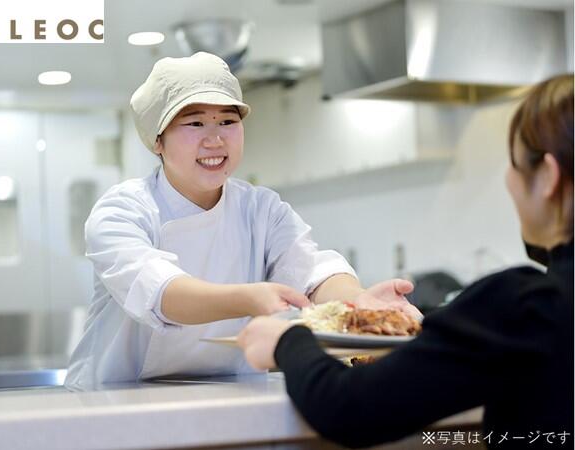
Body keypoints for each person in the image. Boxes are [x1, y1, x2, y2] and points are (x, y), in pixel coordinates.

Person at [238, 74, 574, 449]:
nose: (509, 181)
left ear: (547, 177)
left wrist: (289, 339)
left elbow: (348, 407)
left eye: (512, 164)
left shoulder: (531, 305)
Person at [65, 52, 421, 390]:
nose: (215, 138)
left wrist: (359, 304)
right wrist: (250, 298)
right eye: (195, 122)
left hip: (229, 392)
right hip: (118, 398)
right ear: (157, 140)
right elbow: (161, 293)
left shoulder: (260, 207)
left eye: (227, 121)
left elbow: (313, 270)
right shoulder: (122, 211)